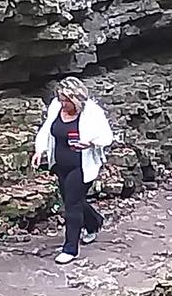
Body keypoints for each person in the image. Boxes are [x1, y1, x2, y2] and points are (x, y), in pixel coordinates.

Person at [31, 77, 114, 264]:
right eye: (61, 99)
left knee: (72, 205)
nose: (63, 104)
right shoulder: (56, 106)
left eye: (66, 101)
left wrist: (90, 142)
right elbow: (47, 129)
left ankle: (70, 248)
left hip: (82, 166)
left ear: (76, 100)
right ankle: (94, 222)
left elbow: (106, 137)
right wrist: (39, 150)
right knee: (72, 199)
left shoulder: (92, 111)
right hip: (61, 164)